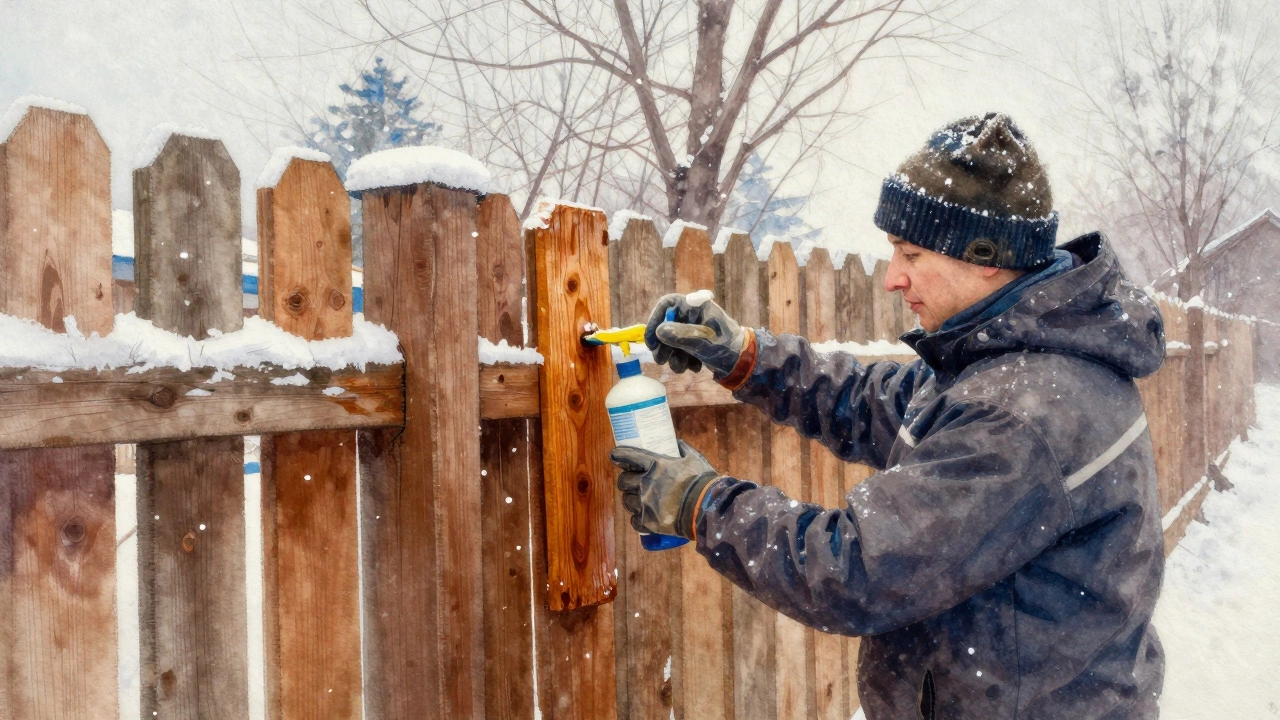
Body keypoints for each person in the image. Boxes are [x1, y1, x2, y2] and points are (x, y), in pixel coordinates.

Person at [610, 113, 1167, 719]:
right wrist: (745, 356)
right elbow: (876, 401)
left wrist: (701, 503)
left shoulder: (1019, 417)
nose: (894, 278)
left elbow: (859, 570)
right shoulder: (1012, 361)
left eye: (912, 252)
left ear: (985, 256)